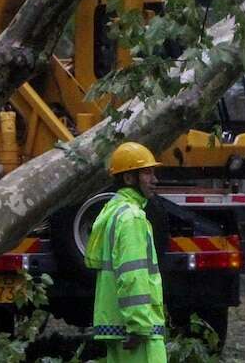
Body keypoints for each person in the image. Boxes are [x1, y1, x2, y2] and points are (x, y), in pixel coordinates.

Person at [85, 141, 167, 362]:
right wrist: (139, 327)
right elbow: (133, 276)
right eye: (147, 173)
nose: (155, 180)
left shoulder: (113, 211)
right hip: (138, 334)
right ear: (129, 178)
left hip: (117, 328)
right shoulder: (132, 217)